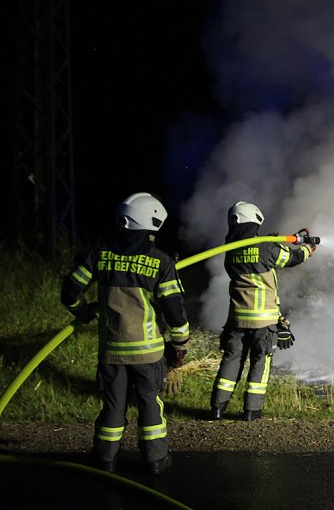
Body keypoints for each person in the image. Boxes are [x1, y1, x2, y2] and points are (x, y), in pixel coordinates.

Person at [60, 192, 190, 474]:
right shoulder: (160, 262)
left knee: (112, 406)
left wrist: (81, 311)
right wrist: (180, 343)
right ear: (151, 224)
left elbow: (69, 291)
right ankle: (155, 461)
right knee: (150, 405)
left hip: (112, 353)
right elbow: (174, 309)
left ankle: (105, 460)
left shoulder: (99, 255)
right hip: (148, 354)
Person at [209, 201, 315, 421]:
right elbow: (292, 259)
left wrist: (278, 240)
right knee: (260, 361)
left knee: (231, 360)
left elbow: (258, 254)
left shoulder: (229, 250)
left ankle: (218, 408)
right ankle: (251, 411)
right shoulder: (266, 247)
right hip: (263, 321)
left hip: (236, 320)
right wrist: (307, 247)